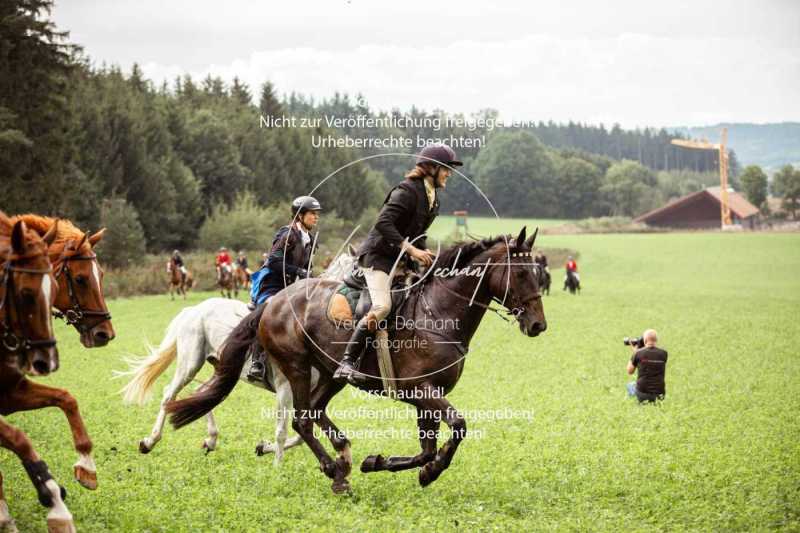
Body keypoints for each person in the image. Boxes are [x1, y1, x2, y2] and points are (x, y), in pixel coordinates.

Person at [333, 144, 461, 385]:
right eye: (446, 169)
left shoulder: (433, 199)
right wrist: (411, 249)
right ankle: (347, 362)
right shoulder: (406, 191)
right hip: (377, 258)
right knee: (381, 306)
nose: (449, 174)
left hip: (399, 261)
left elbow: (417, 232)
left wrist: (423, 250)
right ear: (431, 168)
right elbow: (383, 223)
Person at [246, 196, 322, 381]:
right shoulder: (286, 235)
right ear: (300, 215)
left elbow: (307, 267)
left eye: (316, 214)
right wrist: (300, 271)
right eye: (312, 213)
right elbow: (273, 262)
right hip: (273, 286)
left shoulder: (310, 239)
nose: (316, 217)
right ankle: (257, 361)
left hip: (293, 288)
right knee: (268, 310)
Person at [626, 329, 668, 403]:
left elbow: (629, 371)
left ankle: (637, 405)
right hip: (660, 394)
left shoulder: (638, 353)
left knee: (630, 385)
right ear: (656, 340)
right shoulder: (664, 353)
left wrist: (634, 353)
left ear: (644, 341)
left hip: (643, 393)